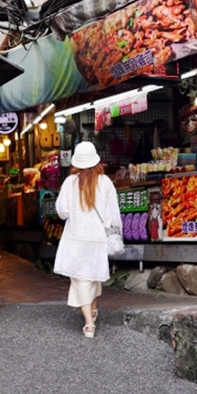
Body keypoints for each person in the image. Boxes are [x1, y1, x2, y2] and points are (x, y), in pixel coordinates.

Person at [53, 141, 122, 338]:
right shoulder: (105, 182)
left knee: (81, 280)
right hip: (98, 239)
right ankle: (92, 311)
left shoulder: (70, 182)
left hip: (76, 238)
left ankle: (89, 325)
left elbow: (62, 212)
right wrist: (116, 232)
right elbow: (114, 213)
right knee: (93, 278)